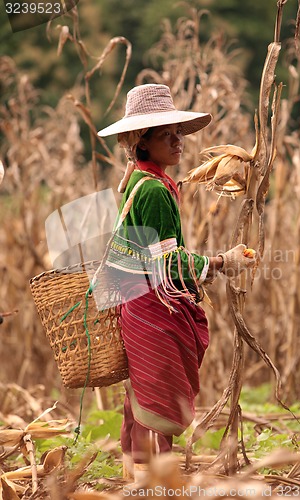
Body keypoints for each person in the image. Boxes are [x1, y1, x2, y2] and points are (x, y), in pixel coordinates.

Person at [97, 84, 255, 481]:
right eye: (165, 132)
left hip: (141, 304)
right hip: (154, 308)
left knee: (145, 394)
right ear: (141, 142)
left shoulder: (145, 181)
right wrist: (223, 261)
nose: (177, 139)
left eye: (178, 130)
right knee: (157, 397)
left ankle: (140, 480)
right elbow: (167, 262)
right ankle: (154, 485)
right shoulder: (151, 188)